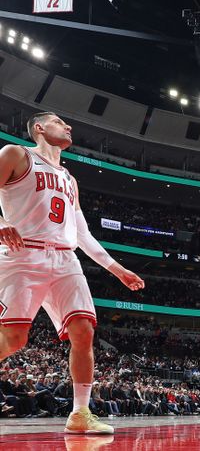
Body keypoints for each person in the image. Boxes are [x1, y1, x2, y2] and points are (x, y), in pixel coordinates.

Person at [0, 112, 145, 434]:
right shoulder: (16, 154)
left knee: (84, 332)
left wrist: (116, 269)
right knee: (14, 338)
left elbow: (81, 233)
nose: (68, 127)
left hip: (66, 260)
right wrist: (0, 223)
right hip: (25, 254)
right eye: (58, 122)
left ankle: (80, 414)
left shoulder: (68, 178)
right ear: (39, 128)